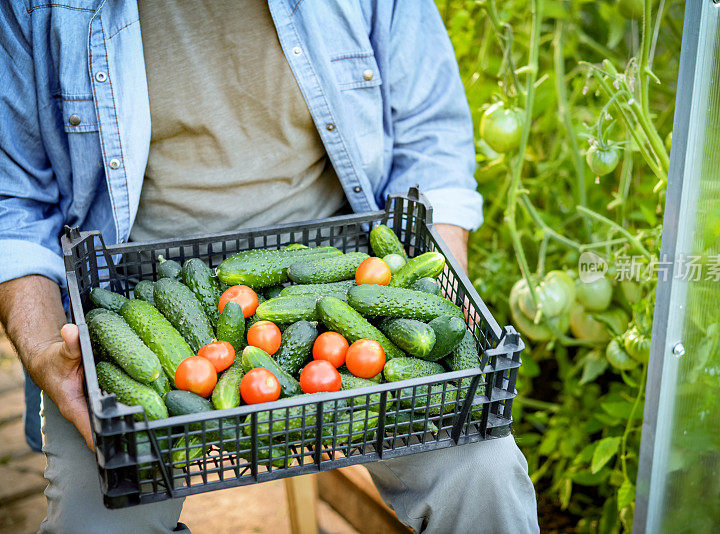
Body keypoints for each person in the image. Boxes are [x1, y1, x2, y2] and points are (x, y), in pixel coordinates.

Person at [0, 2, 540, 533]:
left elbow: (434, 143)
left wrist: (437, 295)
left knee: (486, 476)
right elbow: (14, 203)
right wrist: (47, 348)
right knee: (94, 524)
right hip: (139, 283)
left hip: (338, 261)